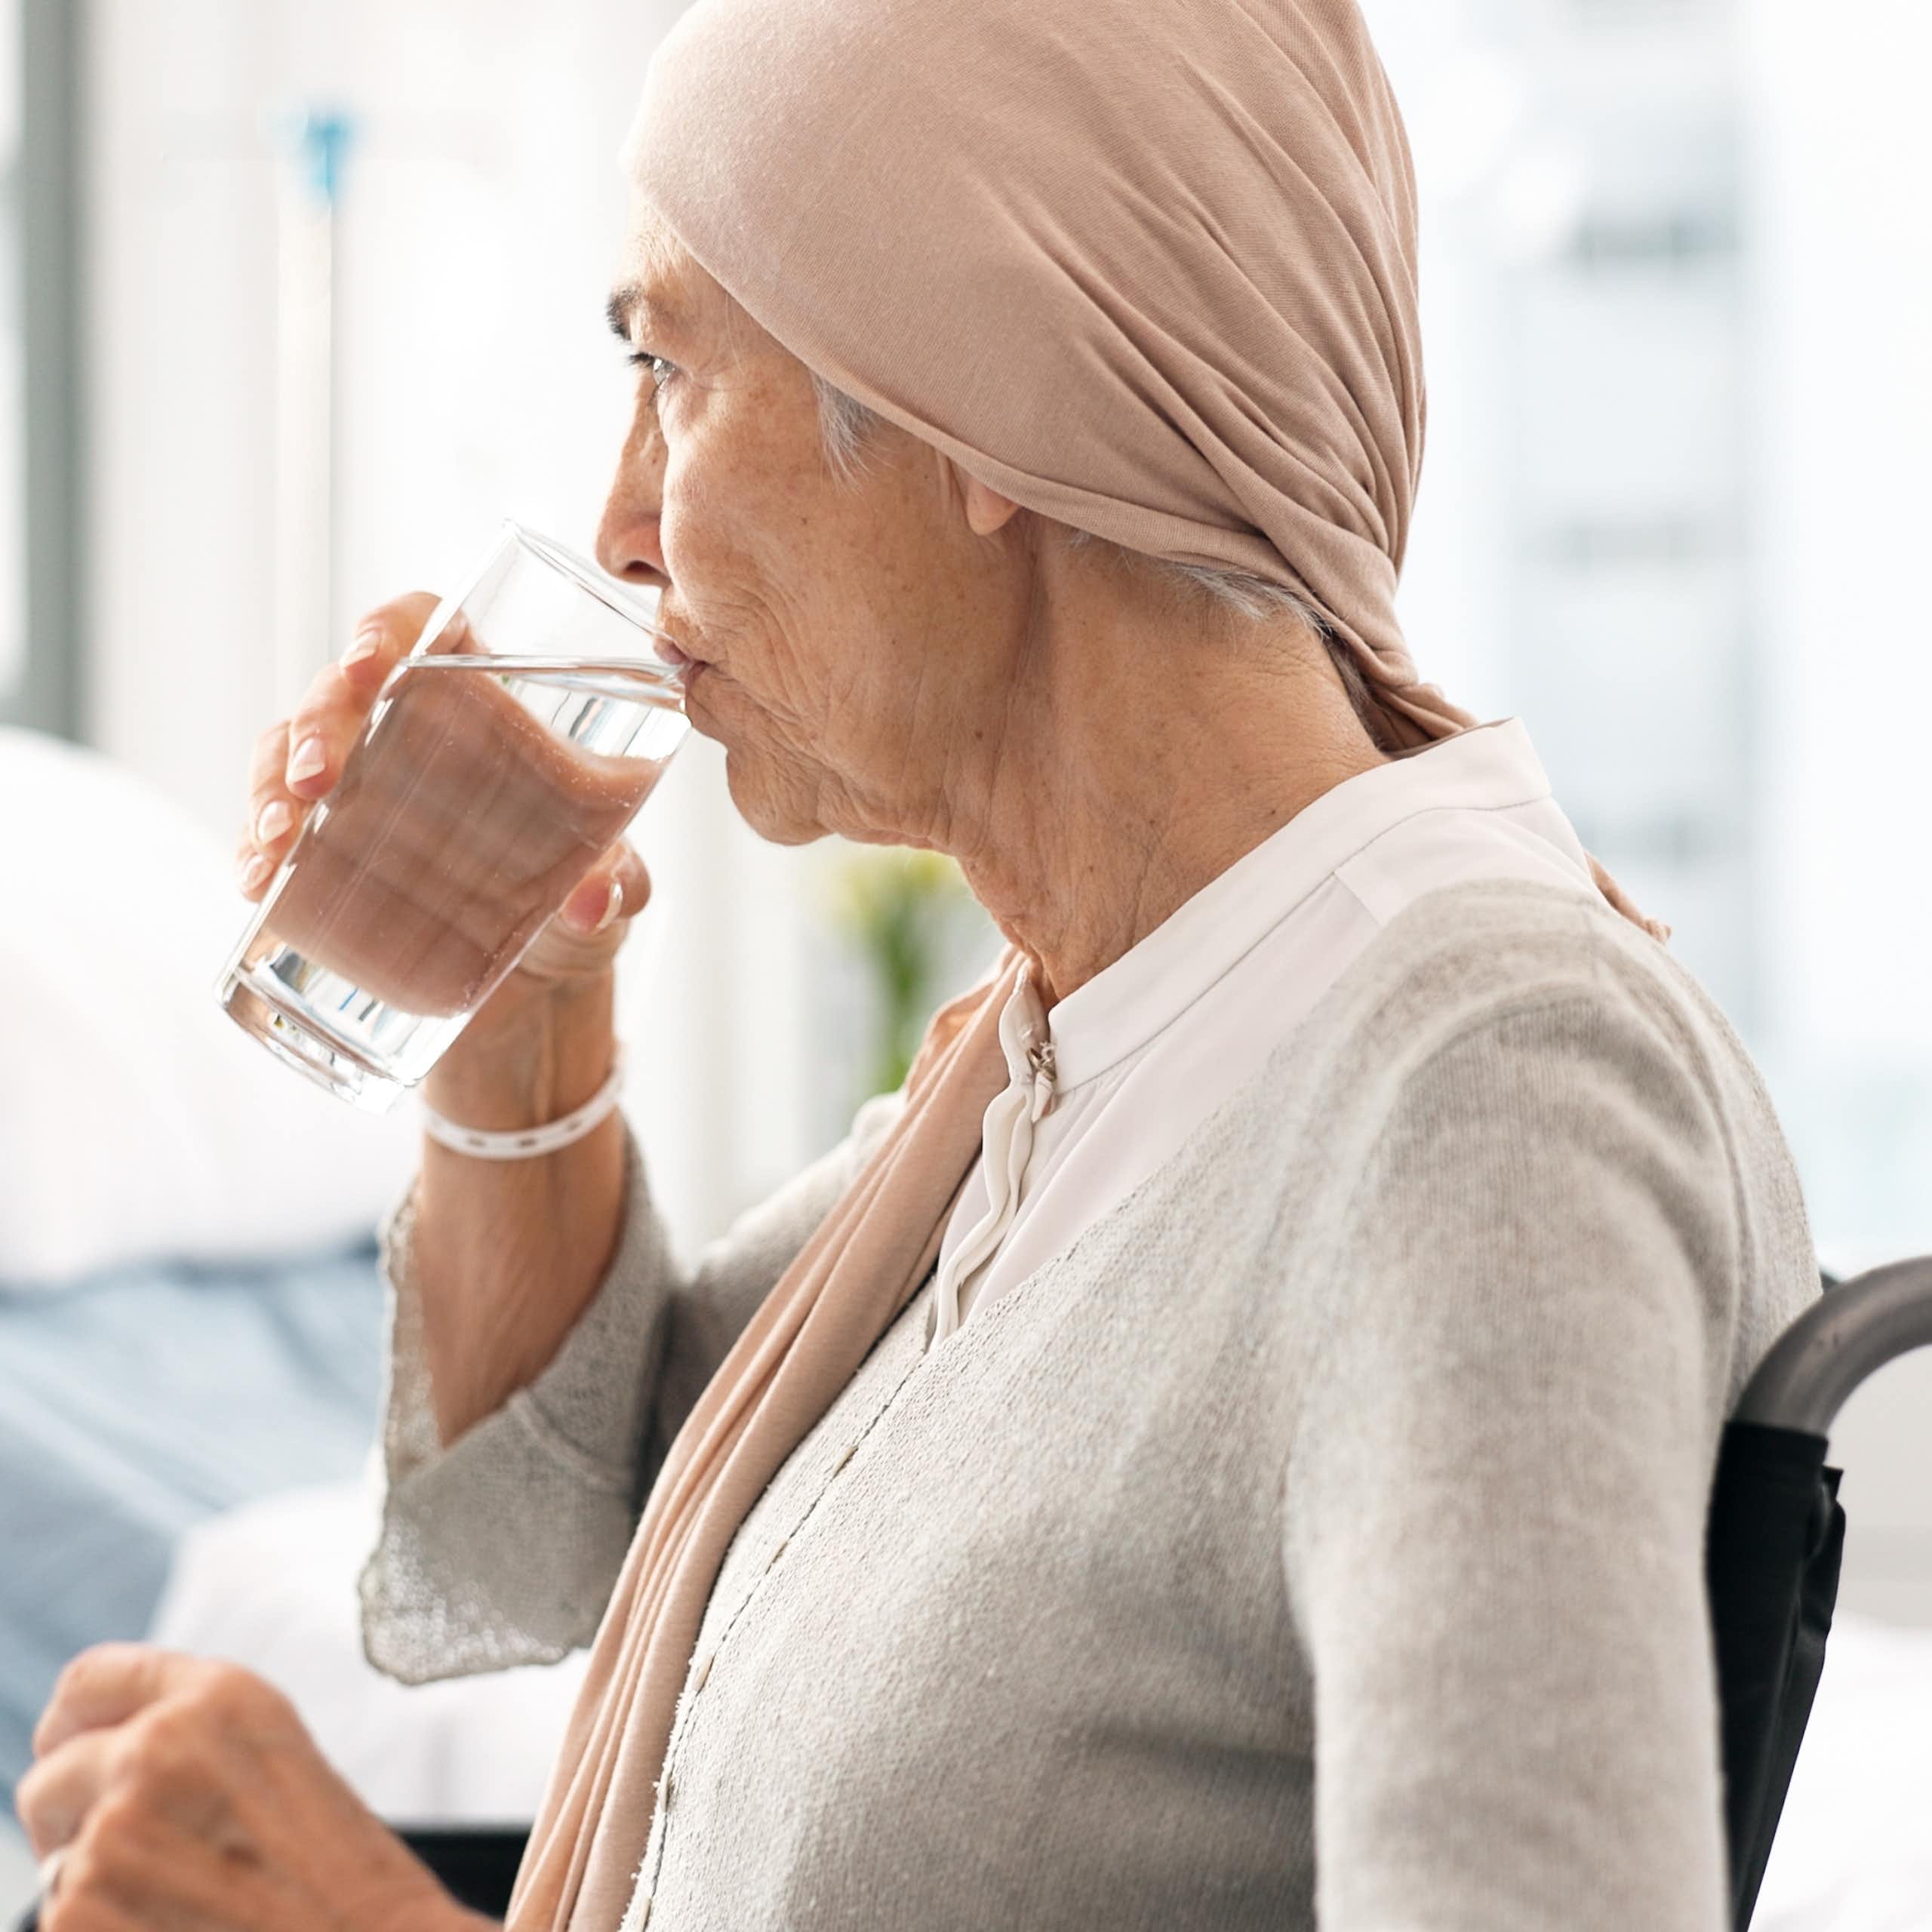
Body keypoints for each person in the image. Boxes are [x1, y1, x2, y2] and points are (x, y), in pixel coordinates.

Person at [16, 0, 1822, 1927]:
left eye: (672, 369)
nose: (624, 524)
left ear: (989, 411)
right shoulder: (1082, 1057)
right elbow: (559, 1543)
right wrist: (517, 1020)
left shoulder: (1477, 1087)